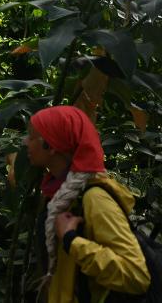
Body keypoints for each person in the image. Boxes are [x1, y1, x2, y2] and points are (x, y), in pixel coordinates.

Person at [24, 105, 150, 302]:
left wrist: (72, 240)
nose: (25, 143)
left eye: (31, 137)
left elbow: (136, 275)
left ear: (51, 145)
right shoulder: (59, 195)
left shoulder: (94, 198)